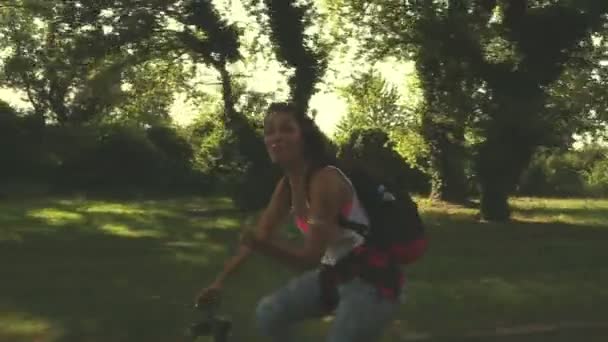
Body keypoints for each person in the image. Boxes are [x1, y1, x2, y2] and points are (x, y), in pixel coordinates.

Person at [195, 102, 405, 341]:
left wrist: (262, 245)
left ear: (304, 137)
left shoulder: (325, 181)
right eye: (269, 131)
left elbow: (308, 259)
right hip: (334, 275)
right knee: (269, 312)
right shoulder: (287, 184)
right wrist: (219, 283)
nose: (276, 137)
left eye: (286, 129)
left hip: (372, 283)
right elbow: (261, 232)